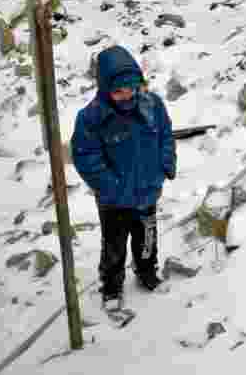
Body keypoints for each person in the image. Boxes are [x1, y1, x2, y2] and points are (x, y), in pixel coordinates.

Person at [71, 45, 176, 310]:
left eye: (132, 88)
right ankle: (111, 285)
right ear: (105, 88)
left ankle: (146, 270)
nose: (127, 95)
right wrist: (111, 187)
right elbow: (86, 157)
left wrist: (165, 165)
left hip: (147, 190)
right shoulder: (92, 118)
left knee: (147, 238)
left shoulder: (152, 105)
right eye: (118, 91)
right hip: (114, 199)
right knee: (114, 245)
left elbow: (165, 136)